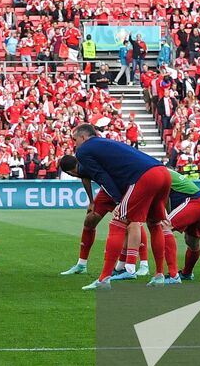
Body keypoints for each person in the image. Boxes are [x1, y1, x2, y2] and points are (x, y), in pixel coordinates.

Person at [62, 124, 171, 291]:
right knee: (154, 224)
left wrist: (119, 201)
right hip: (163, 172)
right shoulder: (105, 143)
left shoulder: (83, 151)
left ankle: (105, 279)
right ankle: (159, 275)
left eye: (75, 139)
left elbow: (101, 176)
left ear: (83, 137)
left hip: (143, 177)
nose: (74, 143)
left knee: (118, 222)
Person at [162, 169, 200, 282]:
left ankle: (173, 275)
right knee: (192, 242)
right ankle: (187, 273)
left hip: (194, 201)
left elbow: (163, 200)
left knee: (164, 227)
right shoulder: (166, 171)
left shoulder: (158, 174)